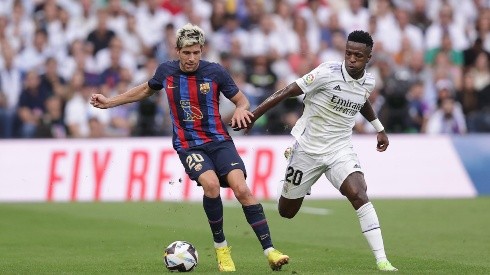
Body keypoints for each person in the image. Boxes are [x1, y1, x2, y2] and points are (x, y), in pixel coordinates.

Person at [90, 23, 289, 272]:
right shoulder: (166, 72)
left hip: (219, 141)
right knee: (211, 184)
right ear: (177, 51)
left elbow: (242, 100)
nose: (192, 58)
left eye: (196, 52)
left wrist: (240, 109)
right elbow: (144, 90)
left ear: (201, 51)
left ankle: (270, 251)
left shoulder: (215, 72)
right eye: (186, 53)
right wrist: (110, 102)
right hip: (189, 145)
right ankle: (222, 249)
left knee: (242, 189)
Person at [233, 30, 397, 272]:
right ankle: (289, 173)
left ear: (368, 57)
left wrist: (379, 128)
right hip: (308, 149)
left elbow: (362, 99)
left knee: (359, 194)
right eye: (348, 53)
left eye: (358, 56)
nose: (351, 59)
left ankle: (382, 260)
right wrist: (253, 116)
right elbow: (287, 91)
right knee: (286, 212)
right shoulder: (326, 73)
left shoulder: (368, 81)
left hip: (340, 148)